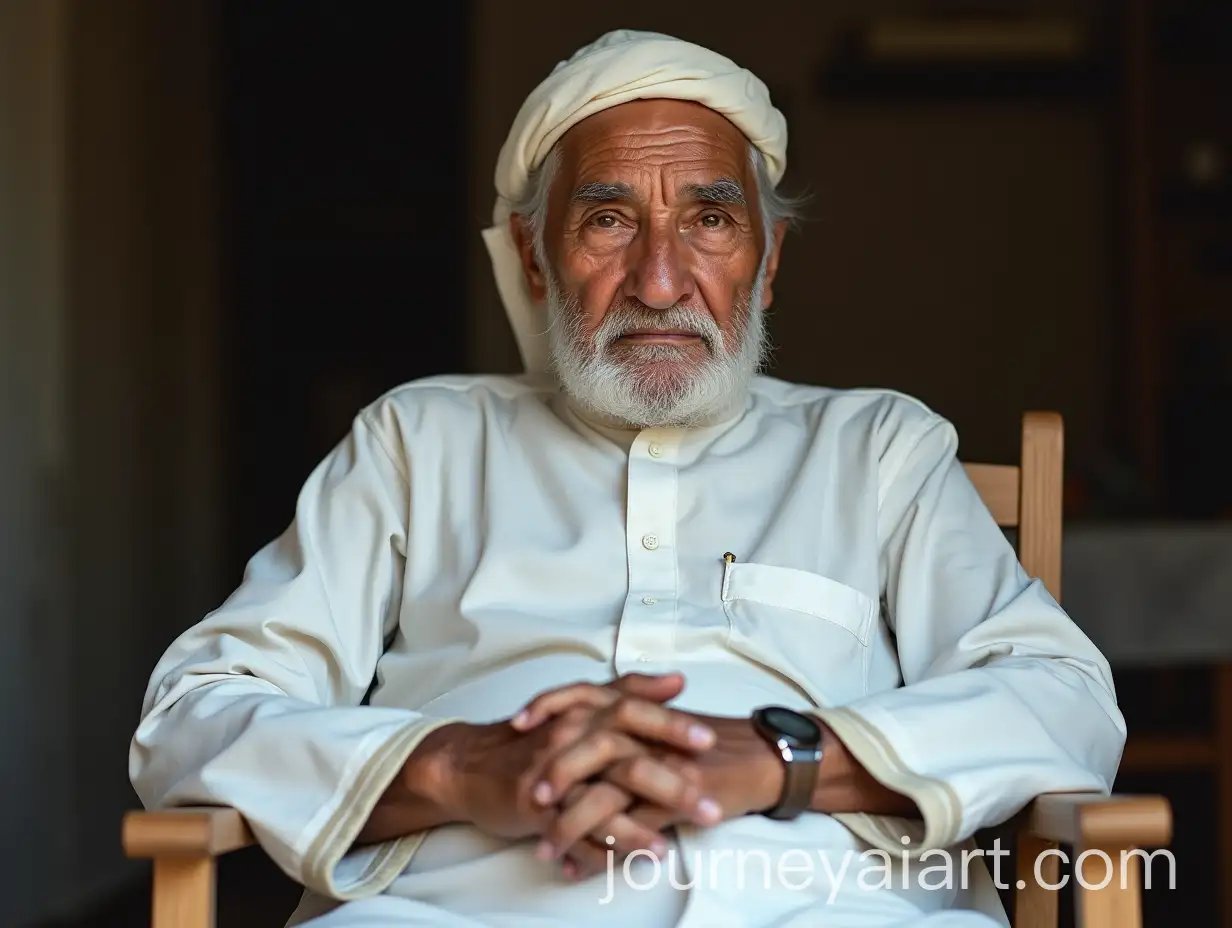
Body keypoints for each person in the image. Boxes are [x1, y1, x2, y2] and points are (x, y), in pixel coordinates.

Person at [129, 29, 1125, 927]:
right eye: (607, 220)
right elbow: (193, 713)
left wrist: (782, 757)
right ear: (532, 255)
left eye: (709, 222)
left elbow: (1063, 697)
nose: (657, 280)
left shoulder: (876, 448)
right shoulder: (416, 440)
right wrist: (460, 766)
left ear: (767, 261)